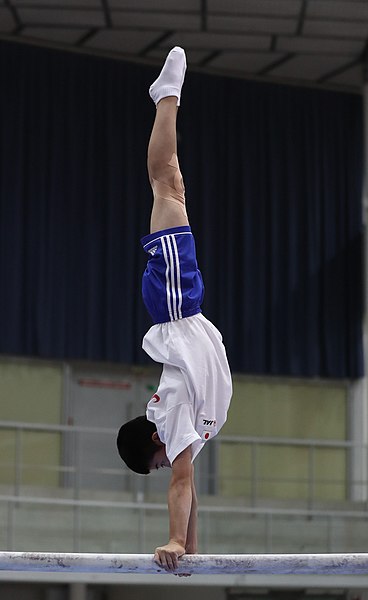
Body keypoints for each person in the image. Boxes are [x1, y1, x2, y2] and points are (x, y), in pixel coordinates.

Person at [117, 47, 232, 574]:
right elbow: (191, 488)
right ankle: (165, 96)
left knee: (168, 180)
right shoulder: (179, 433)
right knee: (169, 183)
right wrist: (194, 549)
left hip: (176, 306)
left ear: (154, 441)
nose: (169, 464)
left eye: (159, 460)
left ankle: (166, 96)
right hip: (187, 308)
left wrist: (173, 540)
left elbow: (181, 481)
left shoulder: (169, 419)